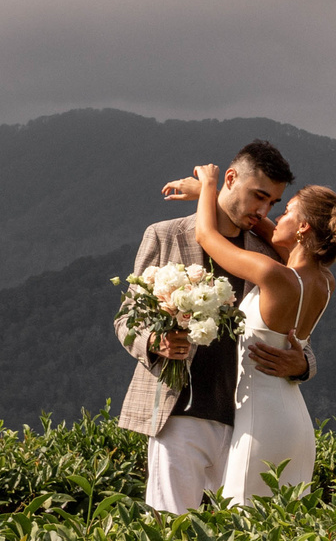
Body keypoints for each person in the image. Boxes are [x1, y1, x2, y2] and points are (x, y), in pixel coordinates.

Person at [114, 138, 314, 511]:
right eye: (259, 196)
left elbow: (292, 331)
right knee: (171, 529)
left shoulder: (267, 255)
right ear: (231, 178)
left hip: (248, 422)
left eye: (273, 203)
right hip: (177, 413)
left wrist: (303, 364)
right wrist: (155, 341)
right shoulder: (164, 235)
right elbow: (127, 318)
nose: (263, 210)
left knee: (244, 535)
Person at [167, 162, 336, 504]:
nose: (273, 217)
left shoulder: (272, 273)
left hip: (260, 420)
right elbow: (275, 236)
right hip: (295, 421)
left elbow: (206, 236)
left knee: (242, 518)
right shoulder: (324, 282)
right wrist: (220, 198)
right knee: (282, 522)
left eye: (286, 211)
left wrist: (209, 184)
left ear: (303, 227)